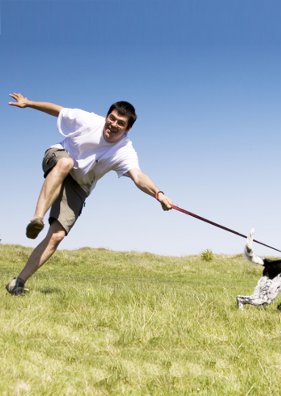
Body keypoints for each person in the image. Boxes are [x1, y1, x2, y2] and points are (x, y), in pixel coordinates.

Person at [6, 92, 173, 295]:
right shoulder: (89, 121)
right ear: (106, 117)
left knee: (57, 235)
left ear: (127, 129)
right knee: (66, 163)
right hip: (59, 157)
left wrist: (158, 193)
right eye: (111, 118)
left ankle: (18, 283)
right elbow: (58, 110)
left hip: (80, 185)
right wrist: (29, 103)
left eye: (120, 123)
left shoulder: (125, 151)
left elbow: (137, 176)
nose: (112, 124)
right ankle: (37, 218)